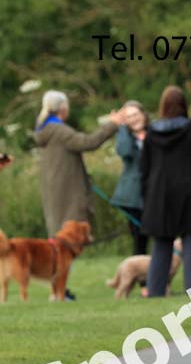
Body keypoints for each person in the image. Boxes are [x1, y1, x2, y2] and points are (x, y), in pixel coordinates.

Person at [33, 90, 127, 301]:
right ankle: (58, 293)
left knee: (58, 246)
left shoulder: (45, 130)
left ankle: (58, 291)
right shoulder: (58, 130)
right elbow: (88, 142)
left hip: (55, 197)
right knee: (65, 247)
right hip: (69, 197)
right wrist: (112, 124)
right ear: (63, 109)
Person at [140, 85, 191, 297]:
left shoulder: (151, 134)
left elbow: (144, 170)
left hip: (159, 196)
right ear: (184, 105)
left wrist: (145, 199)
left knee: (161, 244)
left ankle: (155, 291)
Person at [111, 101, 150, 255]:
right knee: (140, 241)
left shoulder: (155, 133)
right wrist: (121, 127)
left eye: (135, 115)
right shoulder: (125, 137)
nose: (133, 119)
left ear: (144, 115)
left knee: (164, 238)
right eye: (128, 117)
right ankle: (143, 278)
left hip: (156, 194)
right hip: (134, 200)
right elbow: (125, 152)